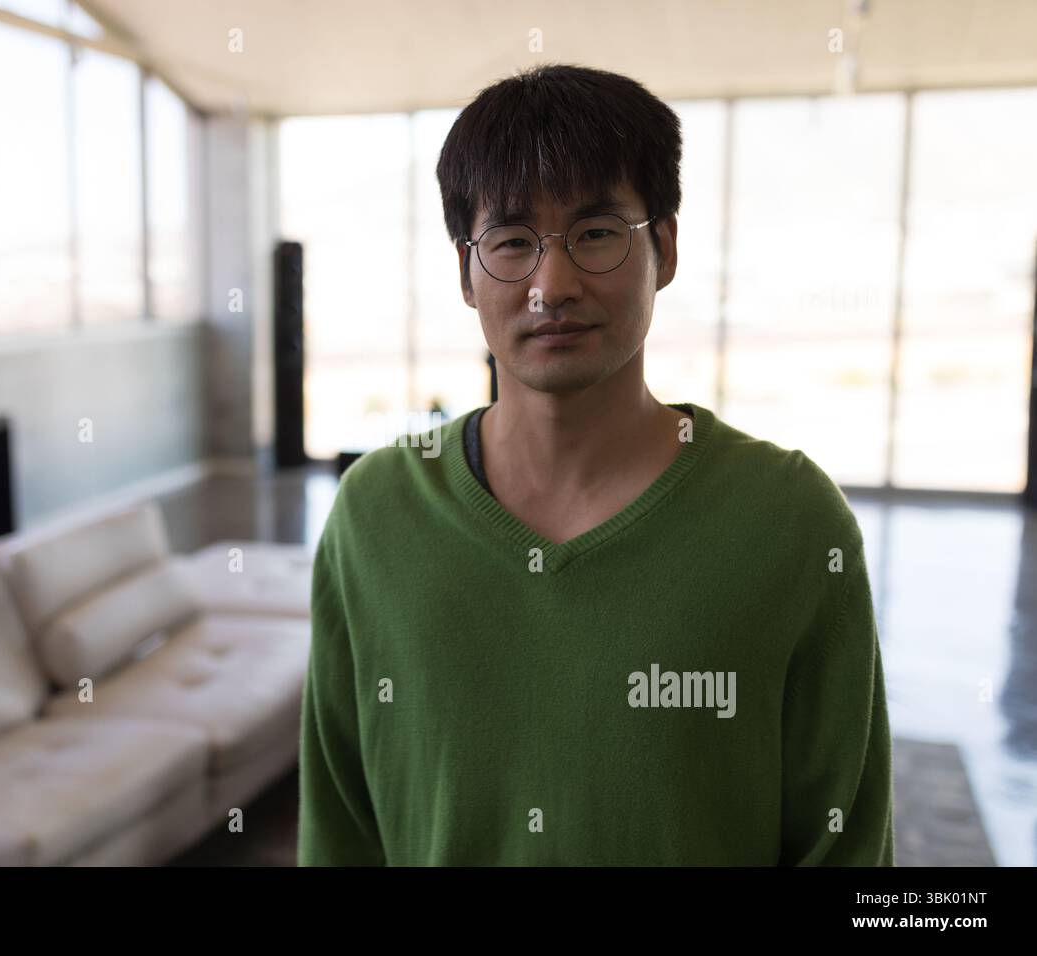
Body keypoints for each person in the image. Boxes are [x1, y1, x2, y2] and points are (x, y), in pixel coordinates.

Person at [297, 63, 895, 866]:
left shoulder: (790, 520)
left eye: (596, 233)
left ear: (666, 248)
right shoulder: (375, 516)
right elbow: (338, 831)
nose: (552, 284)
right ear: (465, 273)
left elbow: (846, 846)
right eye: (511, 241)